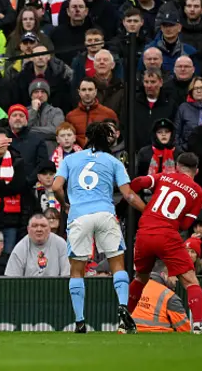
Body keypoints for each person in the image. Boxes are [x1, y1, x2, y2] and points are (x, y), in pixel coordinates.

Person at [52, 122, 146, 334]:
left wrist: (65, 203)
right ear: (108, 140)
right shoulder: (113, 161)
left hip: (79, 215)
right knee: (117, 265)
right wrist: (147, 211)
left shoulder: (72, 159)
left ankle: (80, 321)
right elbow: (129, 195)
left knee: (77, 270)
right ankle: (123, 308)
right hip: (105, 213)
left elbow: (56, 186)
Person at [128, 152, 202, 334]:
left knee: (140, 278)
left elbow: (138, 183)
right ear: (196, 171)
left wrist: (145, 204)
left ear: (177, 166)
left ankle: (126, 322)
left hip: (145, 232)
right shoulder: (198, 192)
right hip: (167, 235)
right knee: (190, 281)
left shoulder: (165, 176)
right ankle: (198, 325)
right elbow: (185, 224)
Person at [131, 261, 192, 333]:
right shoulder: (169, 296)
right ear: (164, 275)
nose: (177, 279)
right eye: (174, 275)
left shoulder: (134, 288)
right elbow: (184, 328)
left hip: (132, 333)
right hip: (159, 336)